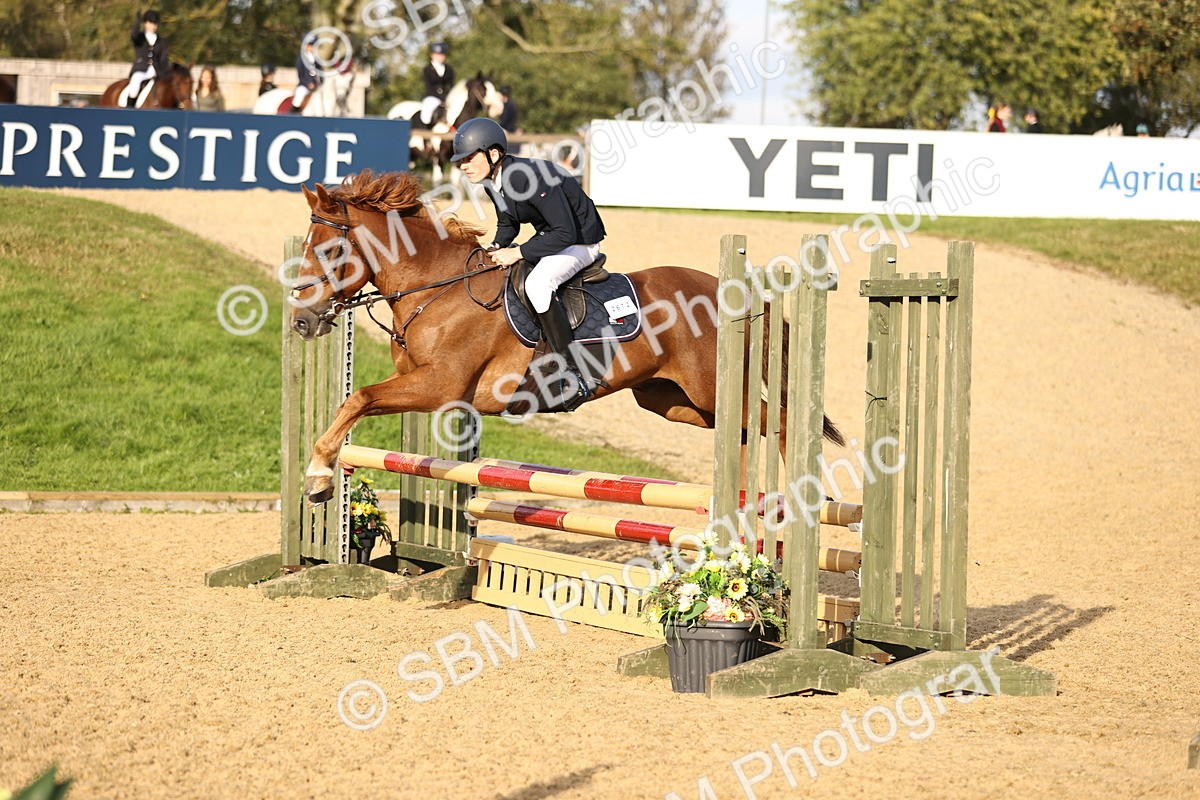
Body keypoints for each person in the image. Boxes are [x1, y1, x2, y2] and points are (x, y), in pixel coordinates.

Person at [451, 118, 606, 411]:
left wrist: (518, 253)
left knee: (537, 284)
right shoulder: (494, 181)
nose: (463, 166)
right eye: (461, 161)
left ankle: (572, 370)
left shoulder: (527, 177)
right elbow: (508, 223)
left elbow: (565, 232)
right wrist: (496, 247)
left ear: (493, 154)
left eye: (469, 158)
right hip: (554, 237)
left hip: (580, 242)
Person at [125, 10, 170, 108]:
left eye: (155, 23)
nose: (153, 26)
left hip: (156, 71)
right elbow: (133, 34)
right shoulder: (140, 38)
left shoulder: (162, 41)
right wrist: (138, 22)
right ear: (145, 23)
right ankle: (130, 107)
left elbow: (164, 58)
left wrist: (164, 72)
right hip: (141, 69)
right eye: (151, 23)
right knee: (135, 83)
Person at [419, 42, 455, 126]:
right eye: (438, 54)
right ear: (432, 55)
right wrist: (441, 97)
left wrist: (449, 96)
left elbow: (452, 85)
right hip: (432, 96)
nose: (441, 57)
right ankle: (425, 128)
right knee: (426, 115)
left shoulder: (449, 69)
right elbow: (428, 87)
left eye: (443, 54)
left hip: (447, 96)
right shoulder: (427, 69)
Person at [292, 37, 321, 113]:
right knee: (298, 98)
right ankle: (293, 114)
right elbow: (300, 74)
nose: (312, 47)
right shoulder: (301, 59)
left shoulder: (317, 60)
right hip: (304, 86)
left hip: (317, 86)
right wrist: (308, 83)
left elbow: (320, 73)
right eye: (310, 45)